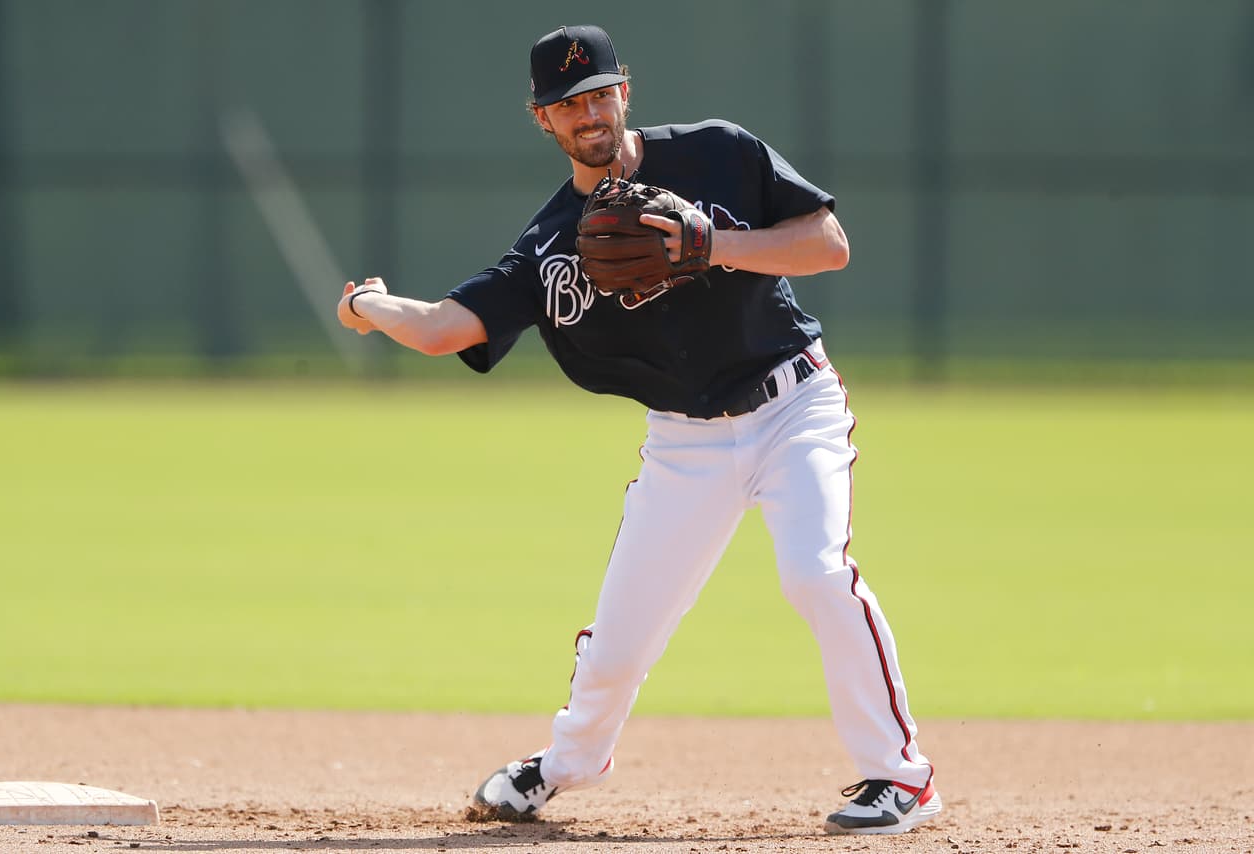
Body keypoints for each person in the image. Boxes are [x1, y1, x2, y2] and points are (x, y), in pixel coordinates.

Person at [336, 24, 941, 837]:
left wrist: (712, 244)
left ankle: (901, 780)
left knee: (815, 572)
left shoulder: (718, 152)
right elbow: (448, 326)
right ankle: (562, 765)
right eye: (565, 104)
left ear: (626, 91)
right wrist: (368, 306)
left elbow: (827, 245)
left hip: (793, 407)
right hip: (685, 443)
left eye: (597, 94)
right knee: (619, 639)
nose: (586, 112)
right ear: (541, 120)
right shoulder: (551, 244)